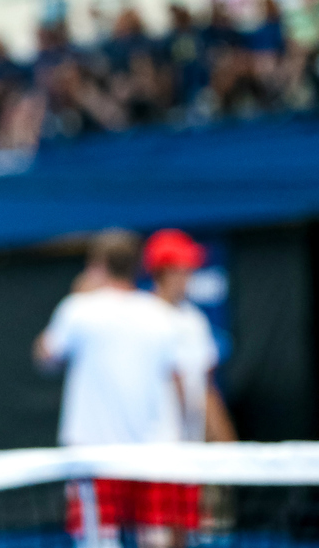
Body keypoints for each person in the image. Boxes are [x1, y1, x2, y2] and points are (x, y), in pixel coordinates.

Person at [34, 229, 190, 548]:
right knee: (157, 541)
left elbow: (44, 356)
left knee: (97, 543)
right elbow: (178, 385)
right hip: (151, 456)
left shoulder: (78, 309)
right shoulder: (162, 316)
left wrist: (79, 292)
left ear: (98, 265)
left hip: (95, 457)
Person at [144, 229, 237, 443]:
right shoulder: (139, 316)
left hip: (189, 451)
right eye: (184, 269)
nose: (190, 276)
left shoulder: (195, 320)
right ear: (164, 272)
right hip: (150, 448)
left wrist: (227, 448)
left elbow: (207, 389)